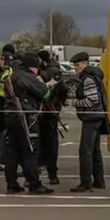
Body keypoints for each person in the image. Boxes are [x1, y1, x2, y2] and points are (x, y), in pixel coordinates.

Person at [4, 53, 53, 194]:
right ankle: (34, 184)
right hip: (26, 117)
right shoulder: (28, 77)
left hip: (10, 116)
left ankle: (11, 184)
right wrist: (46, 86)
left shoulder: (12, 76)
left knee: (13, 151)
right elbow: (45, 94)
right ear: (33, 67)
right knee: (31, 150)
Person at [69, 52, 108, 192]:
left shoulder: (88, 79)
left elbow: (92, 100)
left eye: (77, 65)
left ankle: (86, 182)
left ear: (85, 63)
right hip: (98, 117)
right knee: (95, 151)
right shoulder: (95, 76)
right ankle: (99, 180)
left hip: (91, 118)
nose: (75, 68)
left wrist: (76, 103)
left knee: (85, 151)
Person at [37, 50, 69, 185]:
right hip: (52, 111)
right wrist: (60, 103)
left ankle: (39, 172)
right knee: (51, 143)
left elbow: (63, 89)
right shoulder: (56, 71)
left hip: (45, 111)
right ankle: (52, 174)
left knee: (40, 142)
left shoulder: (46, 72)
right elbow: (64, 89)